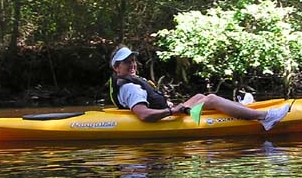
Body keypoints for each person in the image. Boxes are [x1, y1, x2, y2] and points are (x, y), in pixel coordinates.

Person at [108, 46, 290, 131]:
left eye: (132, 61)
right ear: (116, 68)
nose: (132, 65)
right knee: (210, 100)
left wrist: (170, 105)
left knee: (201, 95)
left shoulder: (128, 82)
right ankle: (264, 118)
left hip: (170, 112)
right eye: (126, 63)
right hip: (167, 119)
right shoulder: (130, 88)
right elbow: (144, 115)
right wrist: (171, 109)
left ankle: (239, 107)